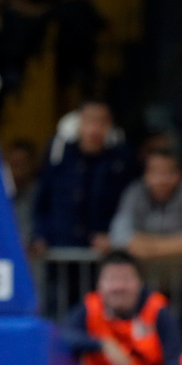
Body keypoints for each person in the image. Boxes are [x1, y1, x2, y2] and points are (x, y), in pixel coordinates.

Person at [32, 101, 136, 253]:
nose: (96, 127)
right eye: (90, 120)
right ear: (79, 122)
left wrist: (115, 237)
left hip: (104, 250)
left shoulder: (121, 162)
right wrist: (40, 236)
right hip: (60, 247)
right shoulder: (59, 157)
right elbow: (42, 203)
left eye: (102, 121)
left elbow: (127, 206)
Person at [108, 147, 182, 261]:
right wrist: (177, 246)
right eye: (155, 172)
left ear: (179, 174)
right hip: (141, 269)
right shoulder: (134, 193)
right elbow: (118, 236)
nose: (161, 179)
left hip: (181, 269)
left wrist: (148, 247)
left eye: (168, 172)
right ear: (145, 174)